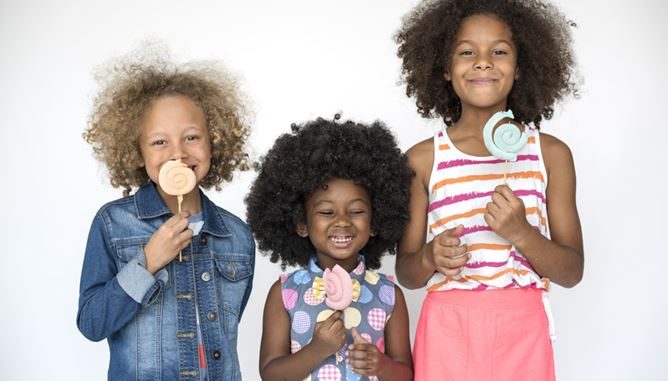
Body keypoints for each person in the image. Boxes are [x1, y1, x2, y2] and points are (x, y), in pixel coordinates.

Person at [394, 0, 584, 380]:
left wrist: (521, 233)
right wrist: (432, 255)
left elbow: (571, 271)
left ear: (519, 68)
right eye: (467, 52)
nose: (483, 62)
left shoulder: (551, 155)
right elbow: (407, 272)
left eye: (499, 51)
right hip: (448, 329)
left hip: (522, 330)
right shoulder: (422, 160)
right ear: (446, 69)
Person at [76, 49, 255, 381]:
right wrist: (147, 262)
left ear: (214, 143)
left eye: (191, 137)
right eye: (159, 141)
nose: (178, 152)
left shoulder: (238, 236)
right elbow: (91, 323)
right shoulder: (112, 225)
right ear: (137, 152)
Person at [246, 117, 414, 381]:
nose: (342, 221)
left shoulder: (389, 294)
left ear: (374, 222)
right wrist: (317, 350)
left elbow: (405, 373)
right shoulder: (285, 293)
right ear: (302, 223)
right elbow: (271, 374)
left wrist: (381, 365)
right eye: (326, 211)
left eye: (357, 211)